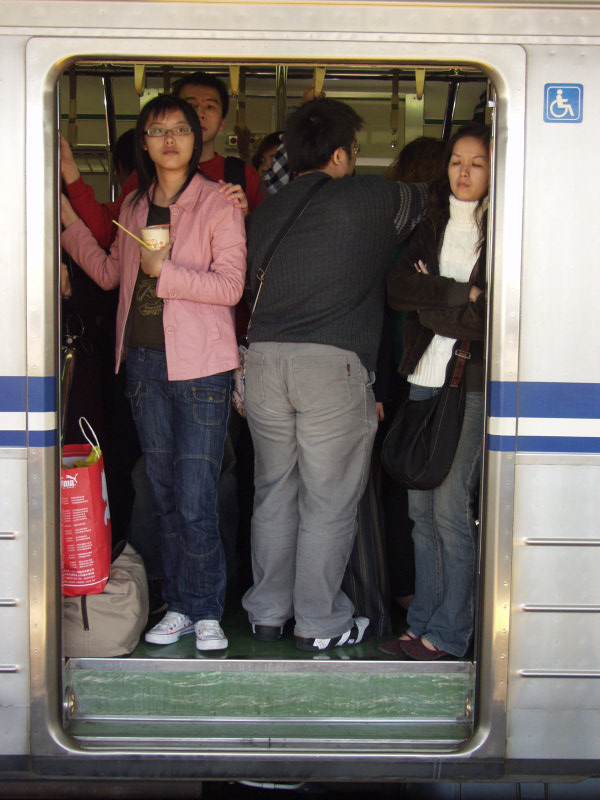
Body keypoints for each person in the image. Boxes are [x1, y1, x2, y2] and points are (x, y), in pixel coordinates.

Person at [241, 98, 429, 652]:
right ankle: (320, 623)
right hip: (331, 365)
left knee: (274, 492)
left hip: (264, 362)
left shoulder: (263, 214)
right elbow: (432, 194)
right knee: (328, 500)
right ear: (343, 154)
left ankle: (267, 612)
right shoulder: (368, 198)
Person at [60, 94, 247, 652]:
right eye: (158, 129)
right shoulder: (135, 205)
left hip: (202, 369)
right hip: (143, 364)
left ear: (196, 140)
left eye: (181, 129)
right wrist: (68, 221)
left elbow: (230, 287)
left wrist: (166, 273)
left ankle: (207, 607)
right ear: (144, 141)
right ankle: (182, 606)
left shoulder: (218, 204)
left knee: (196, 494)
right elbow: (111, 273)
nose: (170, 139)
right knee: (162, 492)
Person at [380, 123, 490, 660]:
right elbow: (401, 289)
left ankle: (449, 635)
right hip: (424, 376)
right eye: (456, 162)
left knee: (450, 512)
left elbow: (488, 316)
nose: (464, 173)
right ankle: (421, 622)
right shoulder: (432, 222)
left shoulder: (501, 232)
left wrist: (436, 304)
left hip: (468, 382)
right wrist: (452, 295)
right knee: (420, 515)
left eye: (477, 163)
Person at [60, 71, 262, 250]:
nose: (200, 113)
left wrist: (245, 219)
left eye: (210, 106)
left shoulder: (242, 175)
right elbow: (110, 234)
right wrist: (69, 174)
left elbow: (263, 247)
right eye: (190, 105)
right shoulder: (148, 176)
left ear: (222, 122)